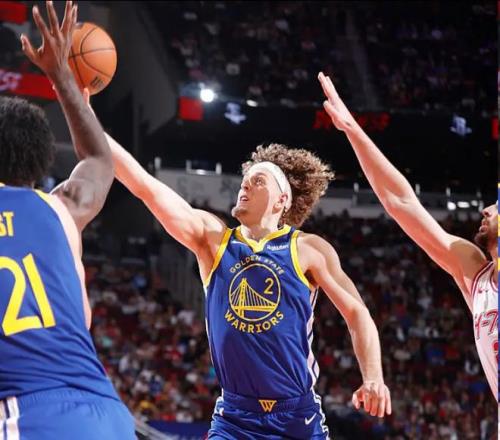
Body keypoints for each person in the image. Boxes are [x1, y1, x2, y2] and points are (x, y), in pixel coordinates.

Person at [86, 98, 392, 438]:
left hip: (296, 417)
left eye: (258, 180)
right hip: (235, 418)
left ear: (282, 200)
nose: (245, 184)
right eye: (245, 180)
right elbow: (145, 186)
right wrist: (85, 115)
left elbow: (357, 313)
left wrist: (373, 377)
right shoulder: (214, 241)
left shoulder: (308, 249)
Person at [0, 2, 135, 439]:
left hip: (27, 415)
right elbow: (98, 158)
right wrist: (61, 77)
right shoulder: (62, 209)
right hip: (107, 413)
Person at [318, 71, 498, 400]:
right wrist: (352, 129)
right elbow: (400, 202)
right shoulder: (476, 272)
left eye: (497, 207)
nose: (486, 209)